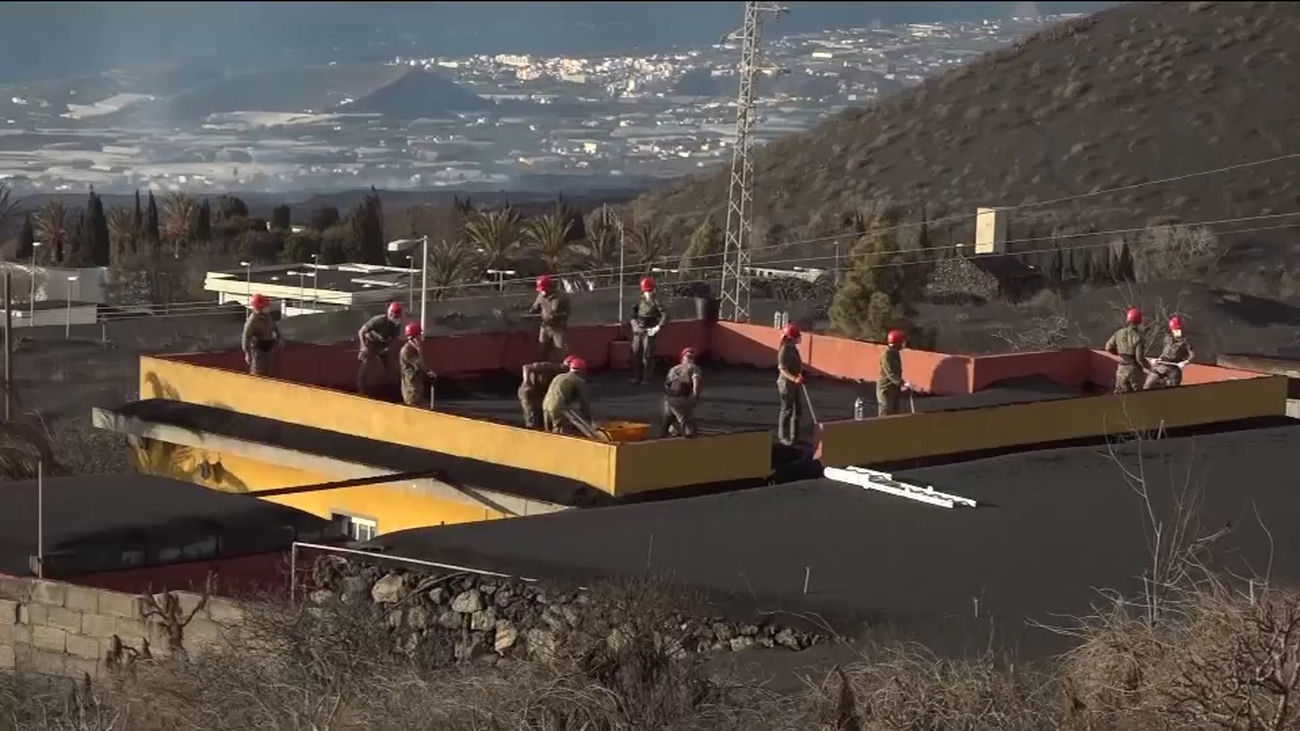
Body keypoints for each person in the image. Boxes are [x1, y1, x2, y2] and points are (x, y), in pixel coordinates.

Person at [357, 302, 404, 395]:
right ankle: (361, 390)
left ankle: (397, 389)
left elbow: (394, 338)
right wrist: (363, 346)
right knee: (366, 366)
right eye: (395, 317)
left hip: (383, 346)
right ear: (390, 314)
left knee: (390, 368)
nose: (396, 319)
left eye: (398, 317)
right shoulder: (378, 320)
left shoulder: (396, 325)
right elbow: (361, 331)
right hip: (371, 344)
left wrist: (388, 348)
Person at [629, 276, 669, 385]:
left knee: (647, 355)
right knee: (636, 354)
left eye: (650, 291)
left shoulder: (657, 302)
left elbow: (665, 315)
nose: (649, 293)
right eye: (647, 291)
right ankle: (636, 376)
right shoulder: (639, 301)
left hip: (649, 330)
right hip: (639, 330)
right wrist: (635, 326)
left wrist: (657, 327)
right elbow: (633, 315)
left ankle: (646, 377)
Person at [519, 356, 572, 429]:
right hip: (530, 392)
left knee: (540, 416)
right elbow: (526, 367)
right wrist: (527, 382)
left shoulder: (565, 375)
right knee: (532, 416)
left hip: (540, 392)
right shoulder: (554, 367)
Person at [1104, 307, 1149, 394]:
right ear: (1139, 321)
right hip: (1134, 371)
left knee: (1120, 394)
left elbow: (1108, 347)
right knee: (1136, 396)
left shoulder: (1119, 333)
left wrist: (1119, 354)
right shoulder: (1138, 337)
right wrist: (1150, 367)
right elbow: (1140, 359)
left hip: (1121, 368)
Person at [542, 356, 591, 435]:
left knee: (548, 432)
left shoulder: (559, 376)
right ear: (582, 370)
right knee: (561, 431)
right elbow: (584, 403)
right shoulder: (578, 380)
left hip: (546, 406)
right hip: (558, 408)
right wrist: (588, 420)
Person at [1144, 315, 1195, 390]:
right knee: (1147, 386)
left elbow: (1193, 355)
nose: (1178, 332)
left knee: (1173, 387)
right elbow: (1164, 351)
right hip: (1162, 365)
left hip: (1174, 367)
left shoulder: (1186, 341)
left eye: (1179, 329)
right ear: (1172, 330)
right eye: (1176, 330)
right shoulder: (1167, 338)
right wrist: (1158, 359)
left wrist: (1185, 362)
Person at [529, 275, 571, 363]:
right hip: (545, 326)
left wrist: (558, 316)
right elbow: (535, 307)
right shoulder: (541, 296)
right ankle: (542, 367)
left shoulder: (561, 297)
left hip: (558, 327)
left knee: (561, 350)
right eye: (541, 290)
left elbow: (567, 312)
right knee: (542, 350)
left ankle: (563, 367)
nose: (542, 292)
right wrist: (530, 311)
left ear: (549, 287)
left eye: (544, 289)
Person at [662, 347, 703, 438]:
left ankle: (664, 436)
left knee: (669, 419)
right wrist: (695, 397)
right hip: (681, 398)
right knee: (687, 422)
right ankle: (688, 438)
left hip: (669, 398)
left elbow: (667, 385)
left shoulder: (673, 369)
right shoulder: (694, 368)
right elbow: (696, 384)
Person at [776, 322, 804, 446]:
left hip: (795, 381)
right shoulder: (784, 350)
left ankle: (794, 436)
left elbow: (798, 364)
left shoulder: (793, 349)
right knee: (787, 409)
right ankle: (783, 437)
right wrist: (793, 378)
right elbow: (782, 368)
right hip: (786, 383)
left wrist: (800, 374)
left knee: (797, 409)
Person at [398, 322, 436, 407]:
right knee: (413, 407)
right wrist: (429, 372)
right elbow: (418, 364)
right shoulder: (407, 351)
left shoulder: (414, 348)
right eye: (419, 334)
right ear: (415, 336)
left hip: (417, 385)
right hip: (411, 388)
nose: (421, 336)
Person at [241, 293, 280, 376]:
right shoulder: (252, 321)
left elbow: (274, 326)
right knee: (258, 372)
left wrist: (279, 337)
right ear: (259, 308)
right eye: (266, 306)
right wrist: (247, 353)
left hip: (268, 349)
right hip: (258, 351)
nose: (268, 308)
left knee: (268, 372)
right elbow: (246, 337)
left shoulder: (268, 316)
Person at [877, 329, 912, 416]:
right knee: (886, 412)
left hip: (894, 389)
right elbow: (890, 373)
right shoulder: (886, 355)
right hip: (886, 389)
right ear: (897, 342)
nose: (904, 344)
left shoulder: (895, 353)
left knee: (895, 414)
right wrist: (902, 383)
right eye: (902, 342)